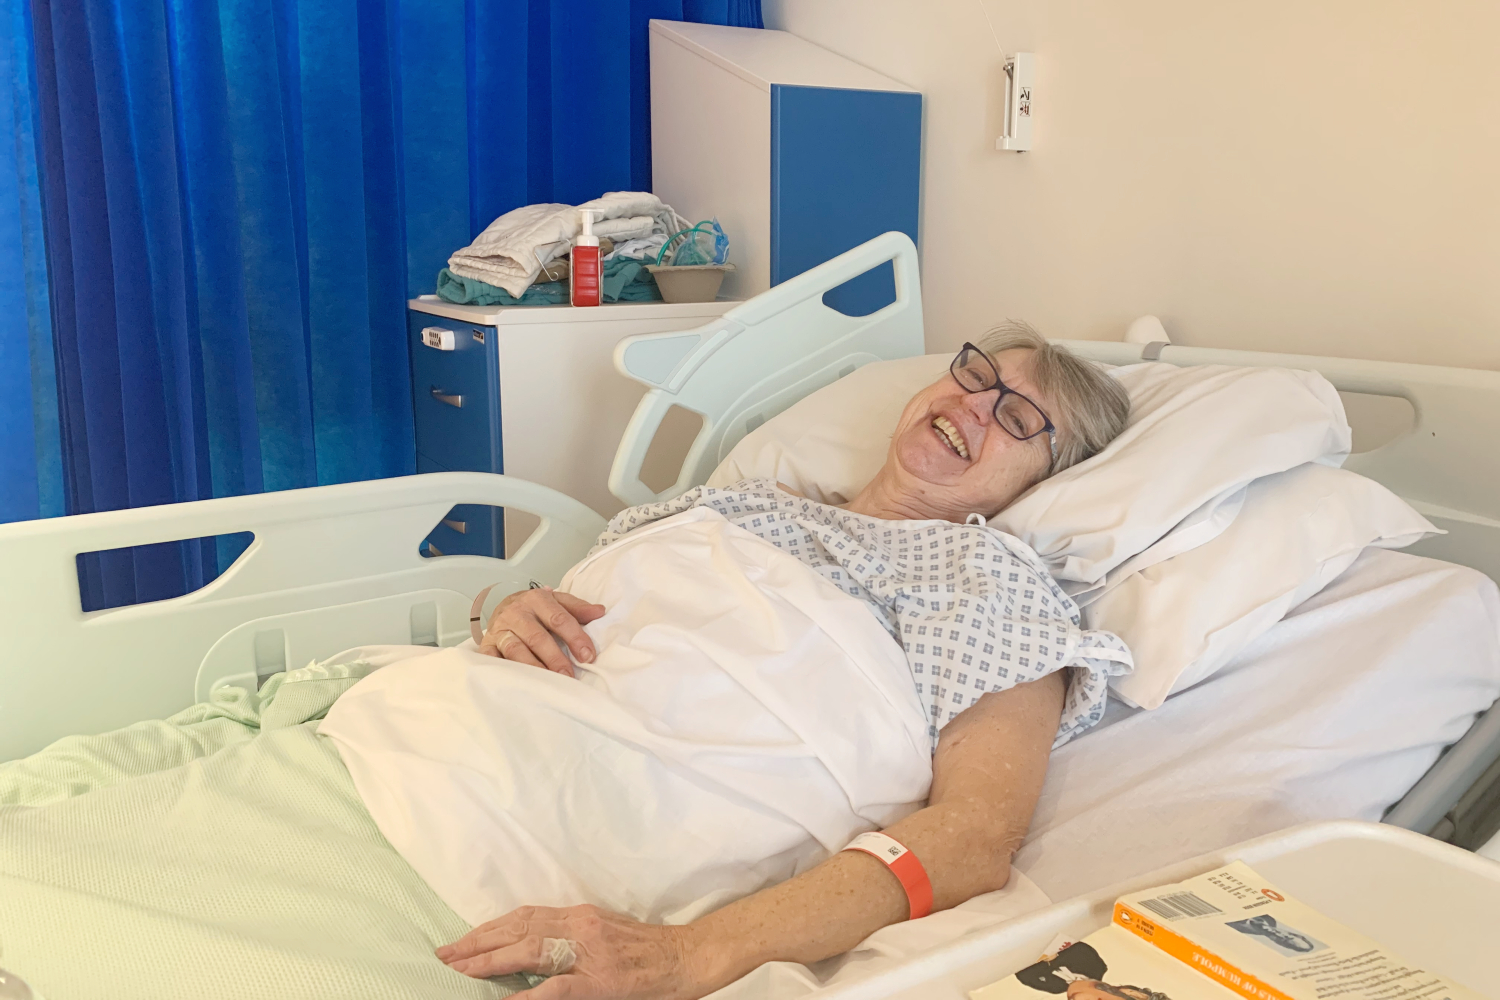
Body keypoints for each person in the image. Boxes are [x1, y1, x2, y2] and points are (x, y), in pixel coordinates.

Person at [437, 323, 1133, 999]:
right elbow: (584, 606)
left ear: (1045, 477)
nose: (973, 404)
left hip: (560, 853)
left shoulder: (989, 585)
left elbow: (973, 837)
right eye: (975, 375)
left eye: (1016, 418)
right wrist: (514, 615)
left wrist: (683, 956)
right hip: (453, 737)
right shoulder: (738, 503)